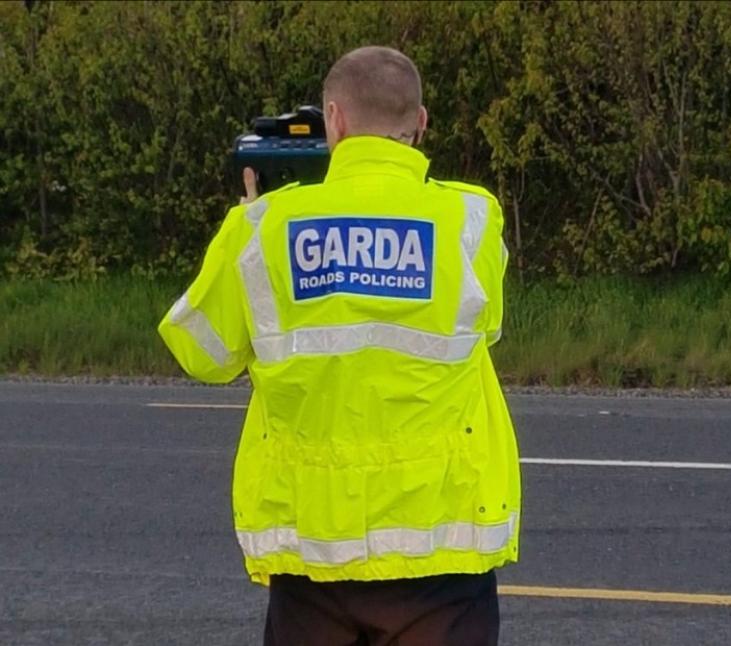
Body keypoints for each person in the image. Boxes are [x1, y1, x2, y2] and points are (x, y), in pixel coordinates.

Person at [158, 46, 520, 646]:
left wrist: (241, 231)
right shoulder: (471, 220)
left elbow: (201, 351)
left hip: (313, 556)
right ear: (421, 123)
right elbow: (486, 328)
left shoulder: (261, 228)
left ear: (335, 120)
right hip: (442, 551)